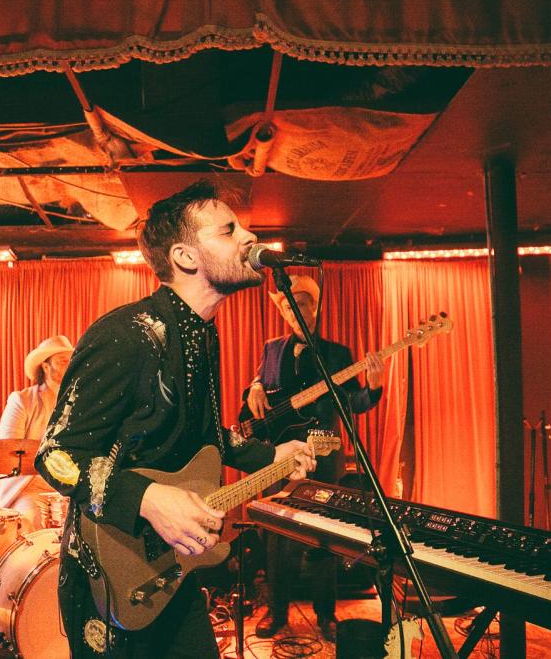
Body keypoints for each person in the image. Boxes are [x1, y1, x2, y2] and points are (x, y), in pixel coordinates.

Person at [34, 181, 317, 658]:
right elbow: (56, 455)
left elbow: (205, 438)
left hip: (169, 569)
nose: (249, 237)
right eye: (229, 230)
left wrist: (272, 456)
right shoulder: (126, 334)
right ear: (185, 257)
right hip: (112, 574)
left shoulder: (203, 336)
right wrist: (145, 498)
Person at [243, 274, 384, 641]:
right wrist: (254, 387)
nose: (293, 311)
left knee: (324, 536)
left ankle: (326, 615)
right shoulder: (271, 348)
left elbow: (356, 403)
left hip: (322, 454)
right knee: (276, 536)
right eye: (287, 306)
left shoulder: (337, 354)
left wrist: (373, 385)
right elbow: (260, 382)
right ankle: (277, 614)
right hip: (278, 455)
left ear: (314, 308)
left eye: (300, 304)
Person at [0, 335, 74, 532]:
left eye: (71, 360)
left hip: (70, 487)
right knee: (33, 519)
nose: (70, 365)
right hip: (29, 488)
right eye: (63, 361)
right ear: (46, 367)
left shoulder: (79, 402)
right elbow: (9, 451)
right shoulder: (21, 401)